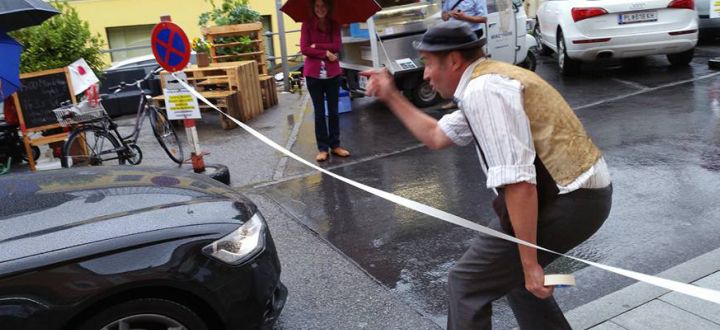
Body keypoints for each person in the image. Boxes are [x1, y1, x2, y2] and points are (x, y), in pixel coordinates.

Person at [362, 21, 612, 330]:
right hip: (579, 193)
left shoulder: (485, 90)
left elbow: (519, 184)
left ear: (453, 60)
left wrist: (530, 262)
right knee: (516, 279)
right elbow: (436, 135)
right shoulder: (488, 78)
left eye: (427, 63)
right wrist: (391, 95)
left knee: (466, 283)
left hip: (570, 198)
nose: (425, 73)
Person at [301, 0, 351, 162]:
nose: (320, 9)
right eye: (317, 6)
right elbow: (304, 48)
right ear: (313, 8)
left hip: (333, 74)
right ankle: (322, 148)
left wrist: (317, 46)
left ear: (328, 7)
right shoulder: (307, 24)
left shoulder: (334, 24)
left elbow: (337, 46)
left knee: (334, 111)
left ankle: (335, 145)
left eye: (323, 6)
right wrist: (325, 53)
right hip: (313, 75)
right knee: (320, 113)